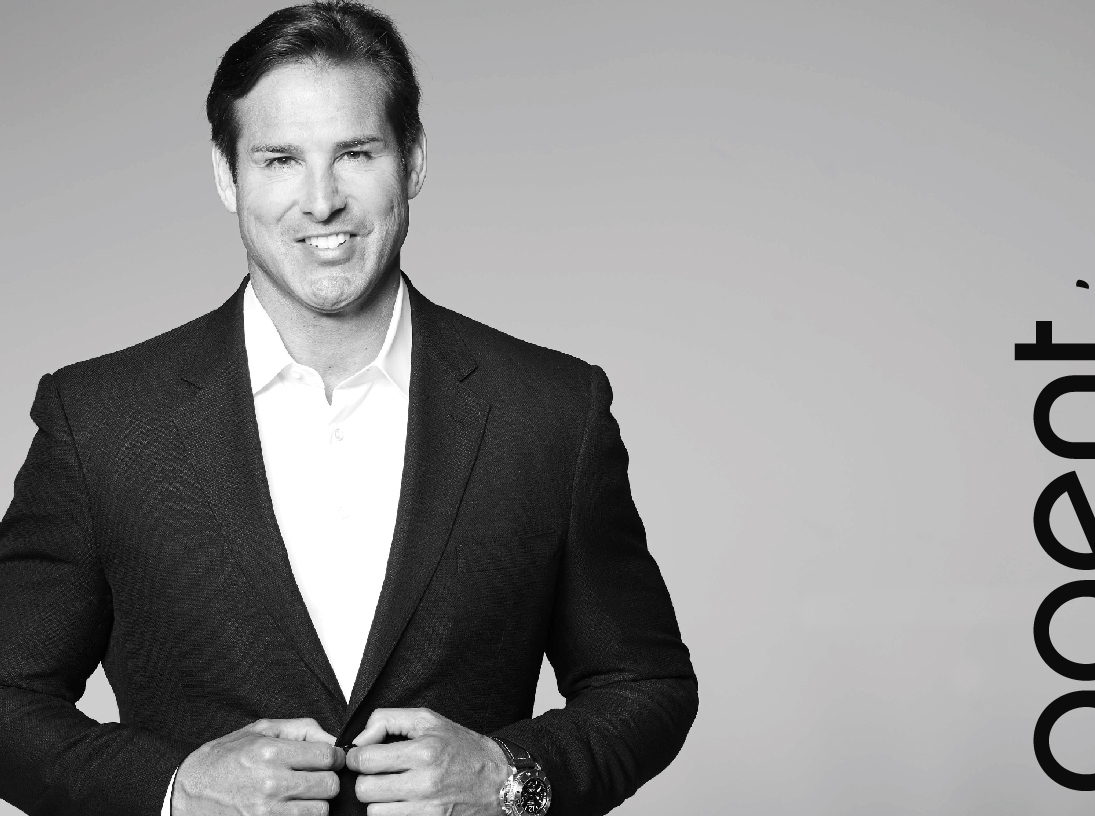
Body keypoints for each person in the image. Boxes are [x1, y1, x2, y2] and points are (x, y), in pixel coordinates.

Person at [0, 2, 697, 815]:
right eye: (280, 160)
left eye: (356, 152)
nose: (321, 200)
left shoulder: (550, 411)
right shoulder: (101, 419)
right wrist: (172, 792)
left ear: (412, 162)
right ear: (228, 176)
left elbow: (643, 683)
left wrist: (510, 779)